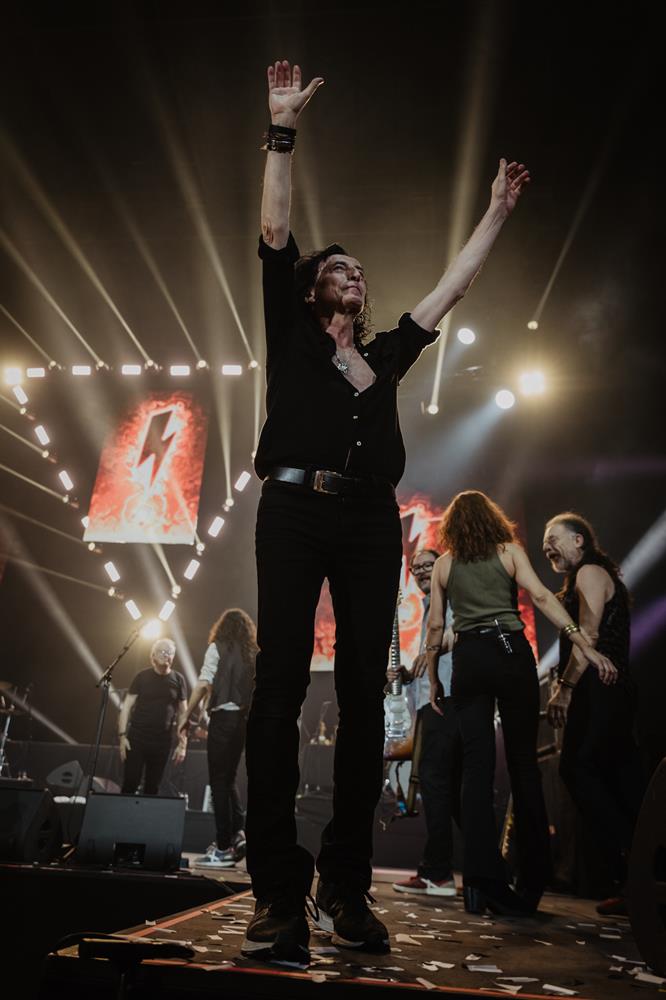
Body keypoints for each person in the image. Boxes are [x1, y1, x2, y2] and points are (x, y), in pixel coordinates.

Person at [243, 58, 532, 967]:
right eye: (338, 268)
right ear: (312, 290)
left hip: (369, 521)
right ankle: (276, 893)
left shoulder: (387, 358)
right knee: (280, 687)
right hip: (293, 510)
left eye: (359, 270)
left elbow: (452, 289)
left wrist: (495, 212)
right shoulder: (292, 335)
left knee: (368, 695)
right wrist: (282, 130)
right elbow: (275, 231)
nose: (353, 274)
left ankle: (345, 886)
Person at [426, 491, 617, 916]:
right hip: (510, 651)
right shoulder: (509, 551)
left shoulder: (444, 564)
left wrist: (434, 676)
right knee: (523, 765)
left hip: (469, 658)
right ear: (493, 520)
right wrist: (583, 644)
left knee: (475, 770)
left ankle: (479, 881)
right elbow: (543, 598)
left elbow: (437, 626)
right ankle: (532, 879)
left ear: (452, 527)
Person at [543, 512, 643, 914]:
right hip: (608, 689)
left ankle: (633, 864)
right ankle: (638, 879)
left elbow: (589, 635)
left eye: (553, 538)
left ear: (579, 540)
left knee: (578, 768)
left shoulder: (589, 572)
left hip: (601, 689)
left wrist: (564, 689)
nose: (546, 547)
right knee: (621, 780)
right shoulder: (587, 575)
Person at [390, 549, 462, 897]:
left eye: (427, 565)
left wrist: (430, 651)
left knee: (435, 783)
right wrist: (406, 674)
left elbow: (457, 635)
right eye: (416, 567)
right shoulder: (429, 607)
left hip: (444, 701)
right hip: (430, 703)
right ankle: (487, 869)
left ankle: (438, 873)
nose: (420, 571)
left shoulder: (450, 600)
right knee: (451, 790)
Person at [180, 609, 257, 869]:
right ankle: (238, 834)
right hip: (242, 722)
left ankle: (223, 847)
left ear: (221, 627)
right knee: (229, 778)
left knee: (218, 782)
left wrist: (185, 716)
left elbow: (203, 683)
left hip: (223, 720)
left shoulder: (217, 648)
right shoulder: (252, 653)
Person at [118, 638, 188, 795]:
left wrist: (183, 745)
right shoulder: (142, 677)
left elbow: (184, 713)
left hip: (162, 741)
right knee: (130, 782)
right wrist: (122, 737)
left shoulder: (178, 679)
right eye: (161, 651)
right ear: (153, 655)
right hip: (137, 738)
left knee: (153, 787)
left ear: (173, 656)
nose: (165, 654)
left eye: (169, 652)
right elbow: (126, 707)